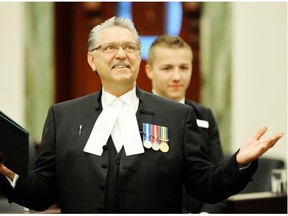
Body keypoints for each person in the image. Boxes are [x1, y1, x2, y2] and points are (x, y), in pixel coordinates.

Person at [0, 16, 284, 213]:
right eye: (109, 47)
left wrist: (239, 162)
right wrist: (8, 174)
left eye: (130, 47)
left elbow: (205, 185)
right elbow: (42, 193)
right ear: (91, 60)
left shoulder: (176, 116)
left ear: (139, 58)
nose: (121, 54)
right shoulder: (62, 116)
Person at [145, 34, 226, 213]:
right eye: (167, 68)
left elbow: (217, 178)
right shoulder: (136, 115)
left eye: (184, 67)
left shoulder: (204, 116)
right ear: (149, 70)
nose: (177, 76)